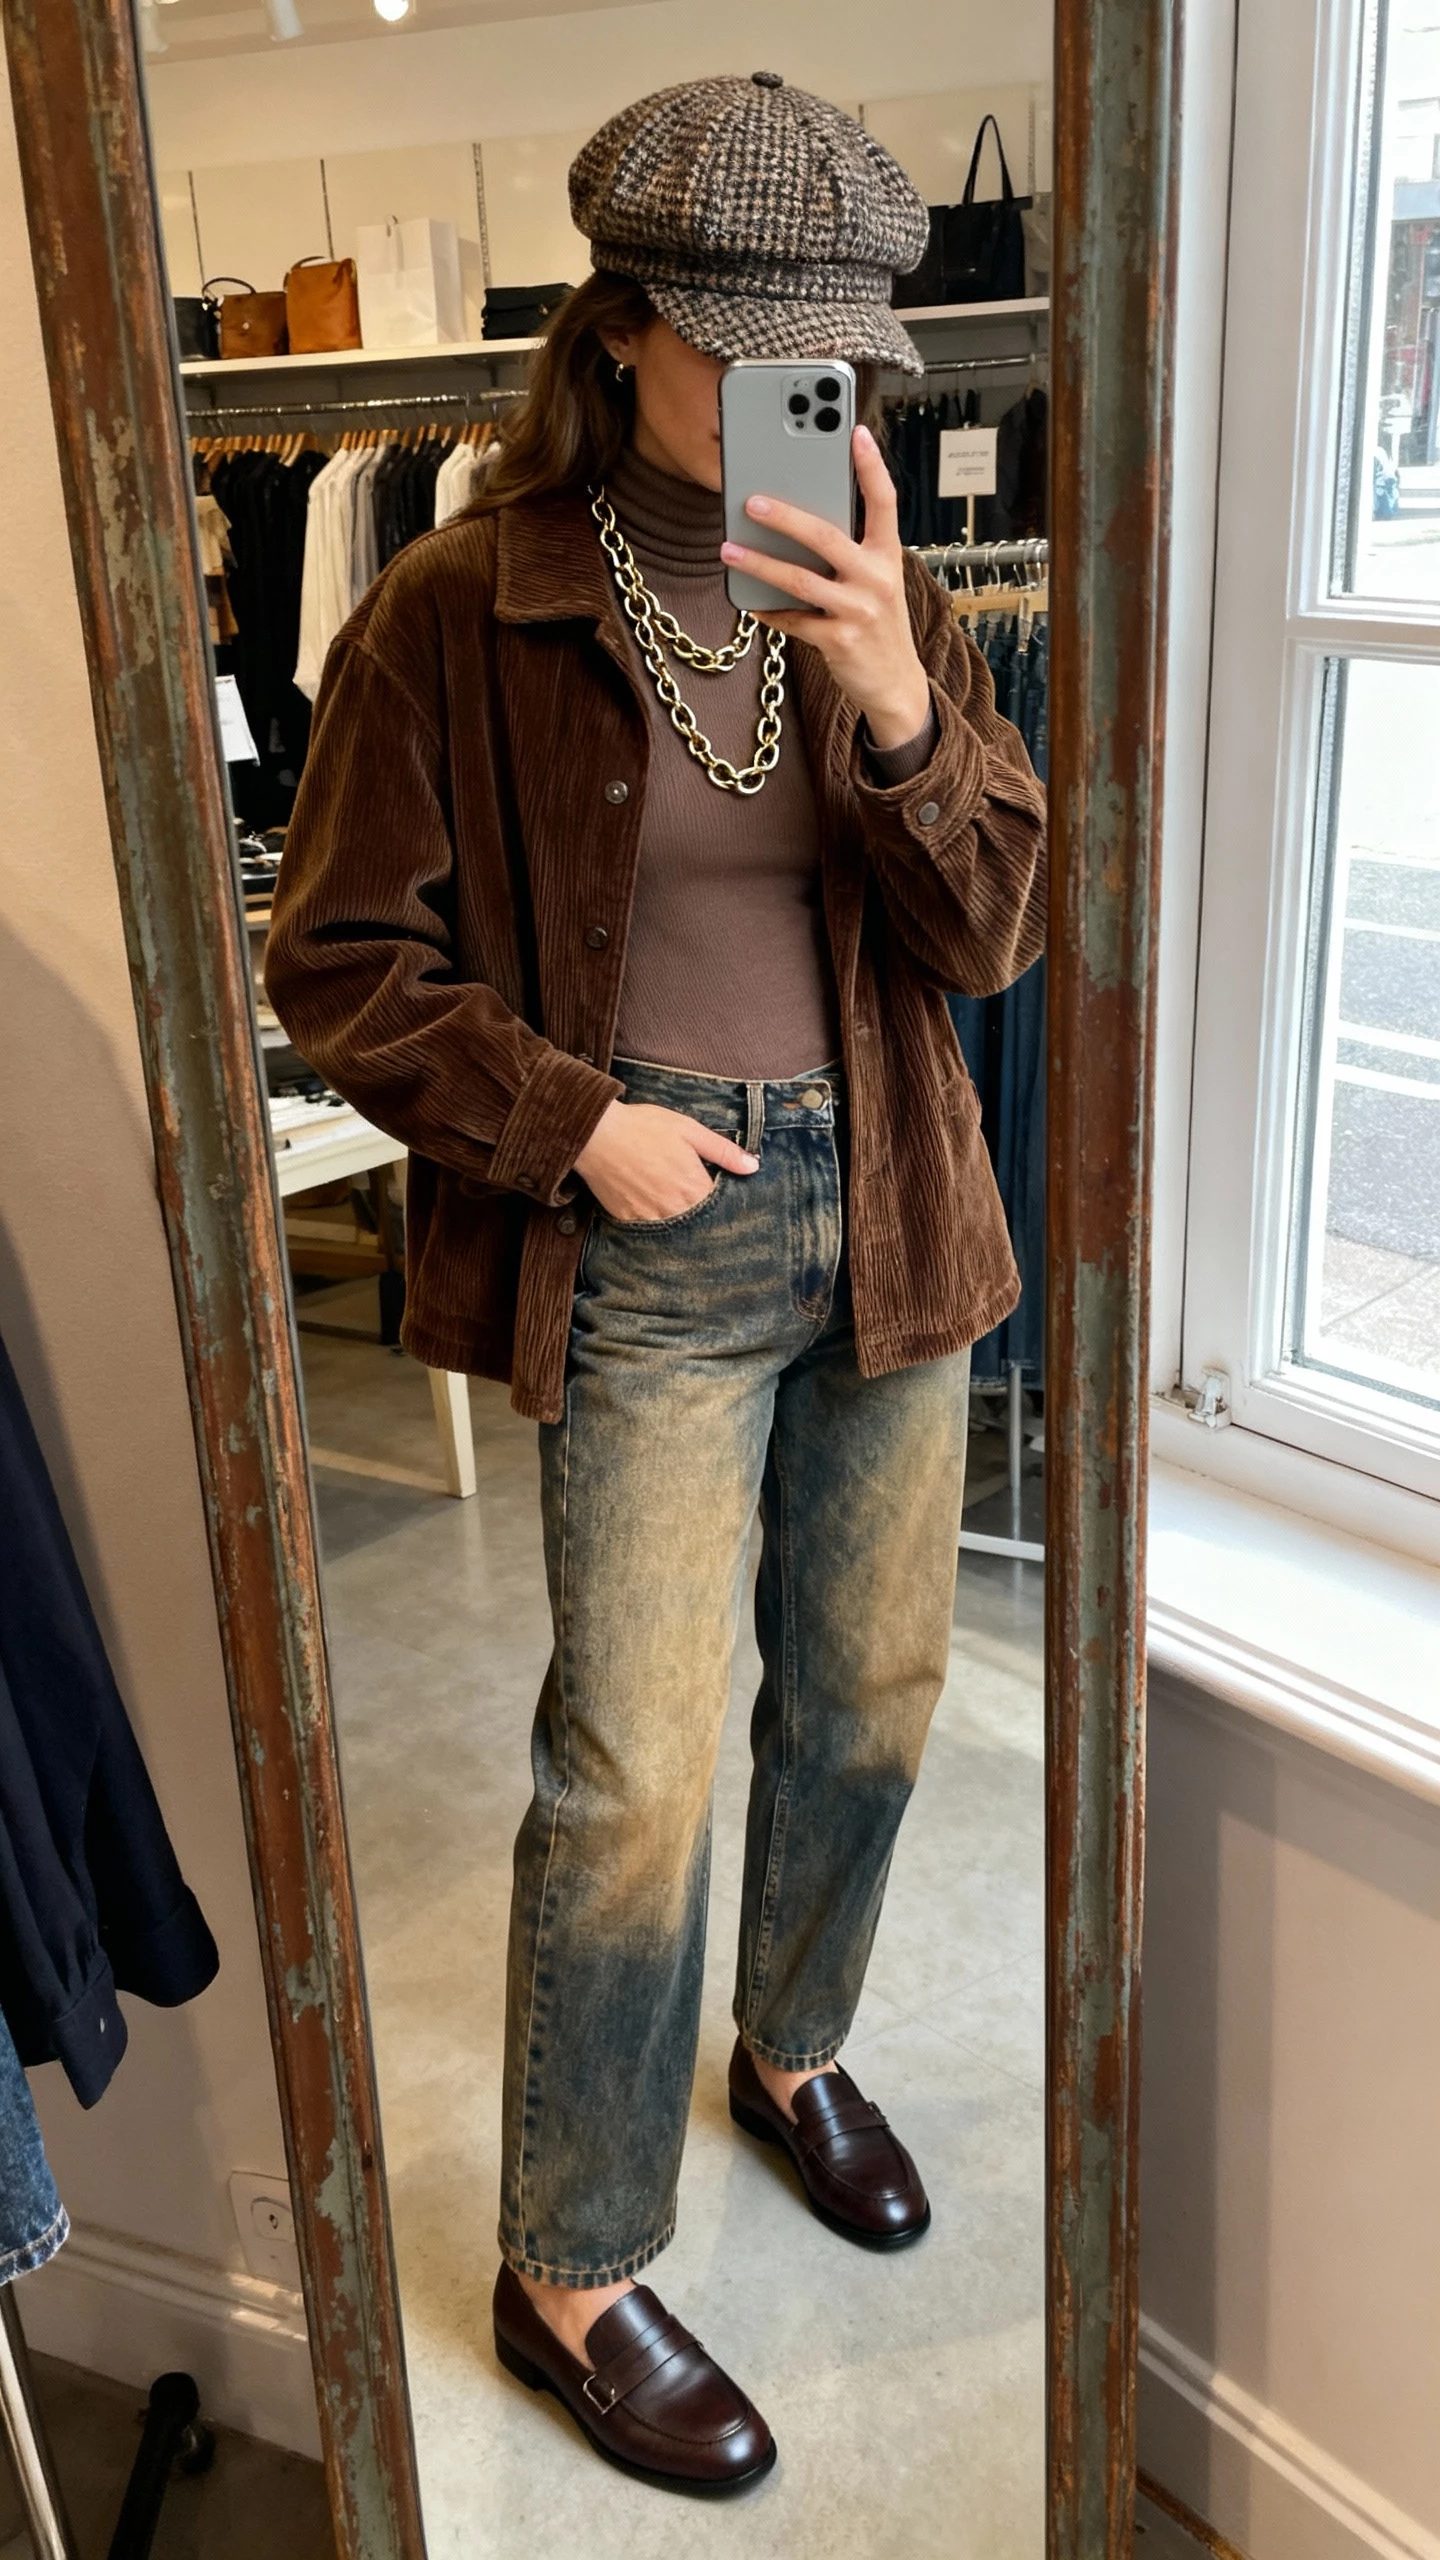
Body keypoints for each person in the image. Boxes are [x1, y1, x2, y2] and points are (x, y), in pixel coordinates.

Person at [266, 69, 1046, 2498]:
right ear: (622, 340)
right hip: (654, 1236)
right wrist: (568, 1122)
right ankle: (573, 2253)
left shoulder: (885, 592)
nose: (817, 400)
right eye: (759, 350)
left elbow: (999, 927)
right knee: (634, 1773)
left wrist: (904, 702)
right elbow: (338, 962)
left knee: (879, 1704)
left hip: (897, 1211)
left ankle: (789, 2050)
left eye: (842, 358)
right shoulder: (447, 602)